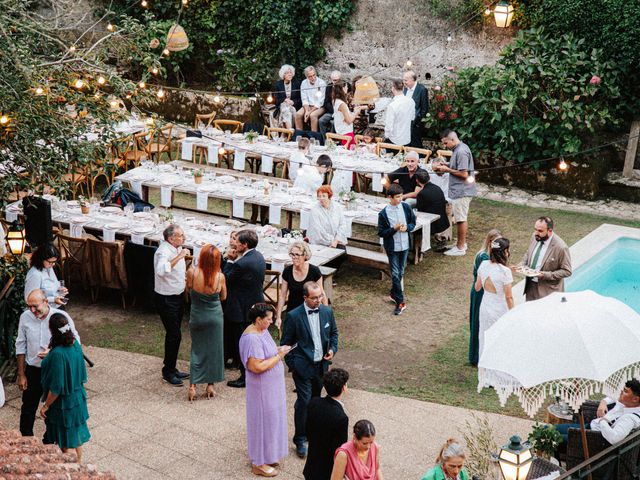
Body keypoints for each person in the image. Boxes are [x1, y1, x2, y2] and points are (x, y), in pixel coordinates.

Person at [281, 281, 339, 459]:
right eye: (314, 298)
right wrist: (294, 364)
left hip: (321, 366)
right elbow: (286, 344)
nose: (319, 300)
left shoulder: (327, 312)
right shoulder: (293, 316)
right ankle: (300, 440)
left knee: (315, 401)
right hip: (302, 367)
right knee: (304, 401)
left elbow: (334, 334)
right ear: (305, 298)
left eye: (320, 296)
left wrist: (331, 350)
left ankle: (313, 434)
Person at [15, 289, 79, 437]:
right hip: (34, 369)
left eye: (35, 306)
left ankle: (50, 439)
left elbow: (75, 341)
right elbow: (20, 344)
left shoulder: (61, 317)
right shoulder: (25, 317)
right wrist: (21, 374)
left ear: (45, 301)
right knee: (28, 407)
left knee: (53, 408)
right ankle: (26, 439)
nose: (32, 310)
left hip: (53, 370)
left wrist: (53, 352)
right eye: (29, 306)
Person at [240, 303, 291, 477]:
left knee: (272, 420)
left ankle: (268, 454)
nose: (271, 321)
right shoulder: (251, 338)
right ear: (258, 319)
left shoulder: (262, 330)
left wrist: (279, 349)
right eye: (268, 319)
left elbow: (266, 352)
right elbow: (256, 366)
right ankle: (258, 463)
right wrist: (279, 356)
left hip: (272, 387)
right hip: (262, 388)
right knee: (262, 421)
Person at [40, 313, 90, 462]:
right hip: (77, 398)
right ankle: (79, 465)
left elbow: (56, 388)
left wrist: (46, 406)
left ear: (52, 330)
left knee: (65, 442)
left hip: (64, 403)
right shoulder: (75, 344)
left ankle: (69, 470)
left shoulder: (57, 354)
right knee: (75, 436)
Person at [225, 229, 266, 388]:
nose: (235, 243)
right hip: (254, 303)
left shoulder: (241, 263)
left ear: (245, 244)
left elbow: (225, 278)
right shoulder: (258, 256)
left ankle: (244, 376)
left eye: (238, 242)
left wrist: (229, 261)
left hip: (241, 308)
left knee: (243, 343)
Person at [186, 244, 227, 401]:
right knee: (214, 351)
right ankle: (210, 385)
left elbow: (189, 289)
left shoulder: (192, 272)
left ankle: (192, 386)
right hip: (215, 317)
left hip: (197, 315)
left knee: (197, 349)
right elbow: (223, 297)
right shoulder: (220, 277)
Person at [154, 224, 190, 386]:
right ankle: (167, 371)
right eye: (181, 235)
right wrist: (181, 256)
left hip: (178, 296)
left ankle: (172, 368)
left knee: (175, 334)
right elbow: (162, 270)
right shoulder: (163, 251)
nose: (184, 238)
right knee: (174, 335)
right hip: (167, 299)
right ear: (171, 238)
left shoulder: (176, 248)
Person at [432, 130, 477, 256]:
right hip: (459, 190)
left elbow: (464, 174)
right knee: (460, 217)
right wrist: (446, 164)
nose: (445, 146)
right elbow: (457, 167)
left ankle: (461, 247)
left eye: (446, 143)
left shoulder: (461, 151)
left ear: (452, 139)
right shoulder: (458, 149)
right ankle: (460, 243)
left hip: (462, 191)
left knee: (461, 219)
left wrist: (447, 169)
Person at [555, 379, 640, 446]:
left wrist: (602, 420)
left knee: (549, 436)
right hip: (588, 427)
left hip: (591, 439)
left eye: (625, 391)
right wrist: (603, 402)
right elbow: (612, 397)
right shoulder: (626, 402)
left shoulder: (630, 418)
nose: (621, 392)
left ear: (635, 399)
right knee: (552, 428)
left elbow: (614, 438)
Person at [304, 368, 350, 480]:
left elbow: (308, 430)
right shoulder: (341, 418)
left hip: (311, 465)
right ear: (344, 388)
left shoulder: (314, 402)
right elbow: (340, 449)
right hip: (327, 470)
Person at [378, 183, 416, 316]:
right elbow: (382, 232)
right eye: (397, 197)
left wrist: (408, 228)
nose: (400, 199)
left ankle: (394, 293)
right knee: (395, 273)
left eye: (401, 196)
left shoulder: (406, 207)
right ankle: (401, 302)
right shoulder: (383, 213)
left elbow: (413, 222)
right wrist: (394, 229)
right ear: (390, 197)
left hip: (405, 245)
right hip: (392, 247)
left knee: (401, 271)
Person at [474, 238, 513, 358]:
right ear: (505, 252)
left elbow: (477, 287)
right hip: (499, 309)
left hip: (485, 307)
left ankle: (485, 365)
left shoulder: (484, 264)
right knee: (499, 337)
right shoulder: (505, 272)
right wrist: (513, 313)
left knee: (484, 336)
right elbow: (509, 297)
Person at [518, 216, 572, 302]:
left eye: (540, 231)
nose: (536, 233)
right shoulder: (535, 236)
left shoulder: (561, 247)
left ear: (550, 231)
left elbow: (567, 271)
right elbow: (529, 252)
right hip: (530, 288)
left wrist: (545, 275)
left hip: (549, 292)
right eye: (535, 229)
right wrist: (522, 264)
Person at [275, 241, 327, 330]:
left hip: (311, 309)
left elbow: (322, 293)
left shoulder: (314, 271)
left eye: (297, 255)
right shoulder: (287, 271)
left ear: (305, 256)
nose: (294, 257)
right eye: (292, 254)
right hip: (293, 310)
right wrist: (278, 316)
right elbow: (283, 295)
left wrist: (326, 314)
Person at [468, 229, 502, 367]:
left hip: (482, 290)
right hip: (481, 291)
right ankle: (475, 355)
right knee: (478, 321)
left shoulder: (485, 255)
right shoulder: (484, 257)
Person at [415, 171, 450, 237]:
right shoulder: (437, 188)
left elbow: (419, 211)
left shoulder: (421, 194)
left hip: (433, 225)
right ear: (429, 177)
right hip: (443, 221)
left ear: (417, 181)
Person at [332, 80, 364, 149]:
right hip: (346, 133)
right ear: (342, 88)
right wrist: (356, 113)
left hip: (340, 132)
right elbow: (349, 121)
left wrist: (352, 113)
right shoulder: (342, 104)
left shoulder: (335, 100)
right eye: (346, 87)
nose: (347, 88)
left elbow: (343, 116)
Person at [383, 78, 415, 147]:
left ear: (393, 88)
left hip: (394, 140)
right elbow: (412, 118)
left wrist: (386, 136)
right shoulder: (411, 101)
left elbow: (389, 126)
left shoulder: (392, 105)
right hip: (406, 139)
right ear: (403, 88)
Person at [403, 70, 429, 148]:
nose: (404, 82)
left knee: (416, 144)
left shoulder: (422, 89)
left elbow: (425, 108)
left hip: (415, 123)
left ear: (412, 79)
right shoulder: (405, 89)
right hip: (404, 122)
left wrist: (417, 121)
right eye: (403, 80)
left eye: (406, 80)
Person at [296, 66, 327, 132]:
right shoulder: (304, 83)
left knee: (313, 115)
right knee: (298, 114)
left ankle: (314, 137)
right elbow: (304, 99)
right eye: (310, 76)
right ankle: (299, 136)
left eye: (314, 75)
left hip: (319, 107)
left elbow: (320, 101)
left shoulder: (321, 83)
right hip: (308, 106)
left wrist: (309, 112)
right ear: (306, 76)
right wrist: (307, 110)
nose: (313, 78)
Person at [273, 64, 302, 129]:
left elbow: (300, 99)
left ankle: (286, 133)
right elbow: (276, 100)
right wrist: (284, 100)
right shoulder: (278, 85)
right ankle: (290, 131)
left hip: (293, 106)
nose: (289, 74)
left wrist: (293, 102)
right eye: (287, 73)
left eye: (290, 72)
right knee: (286, 110)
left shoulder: (297, 83)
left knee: (289, 110)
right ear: (283, 75)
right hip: (282, 107)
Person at [319, 71, 342, 137]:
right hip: (331, 111)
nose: (335, 82)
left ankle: (332, 141)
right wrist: (333, 110)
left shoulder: (345, 86)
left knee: (333, 123)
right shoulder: (329, 87)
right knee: (321, 121)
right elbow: (326, 102)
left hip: (341, 112)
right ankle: (324, 141)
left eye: (336, 80)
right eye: (333, 80)